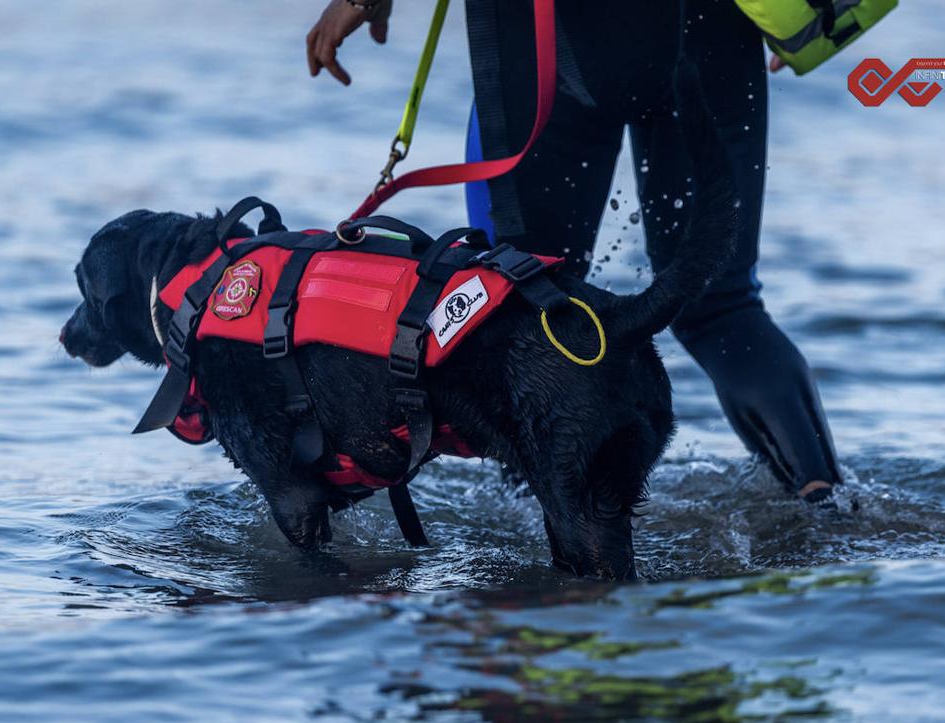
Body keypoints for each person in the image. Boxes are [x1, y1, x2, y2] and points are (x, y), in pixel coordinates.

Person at [306, 0, 841, 502]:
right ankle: (826, 513)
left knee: (521, 308)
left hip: (545, 31)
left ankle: (542, 545)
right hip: (707, 22)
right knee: (723, 309)